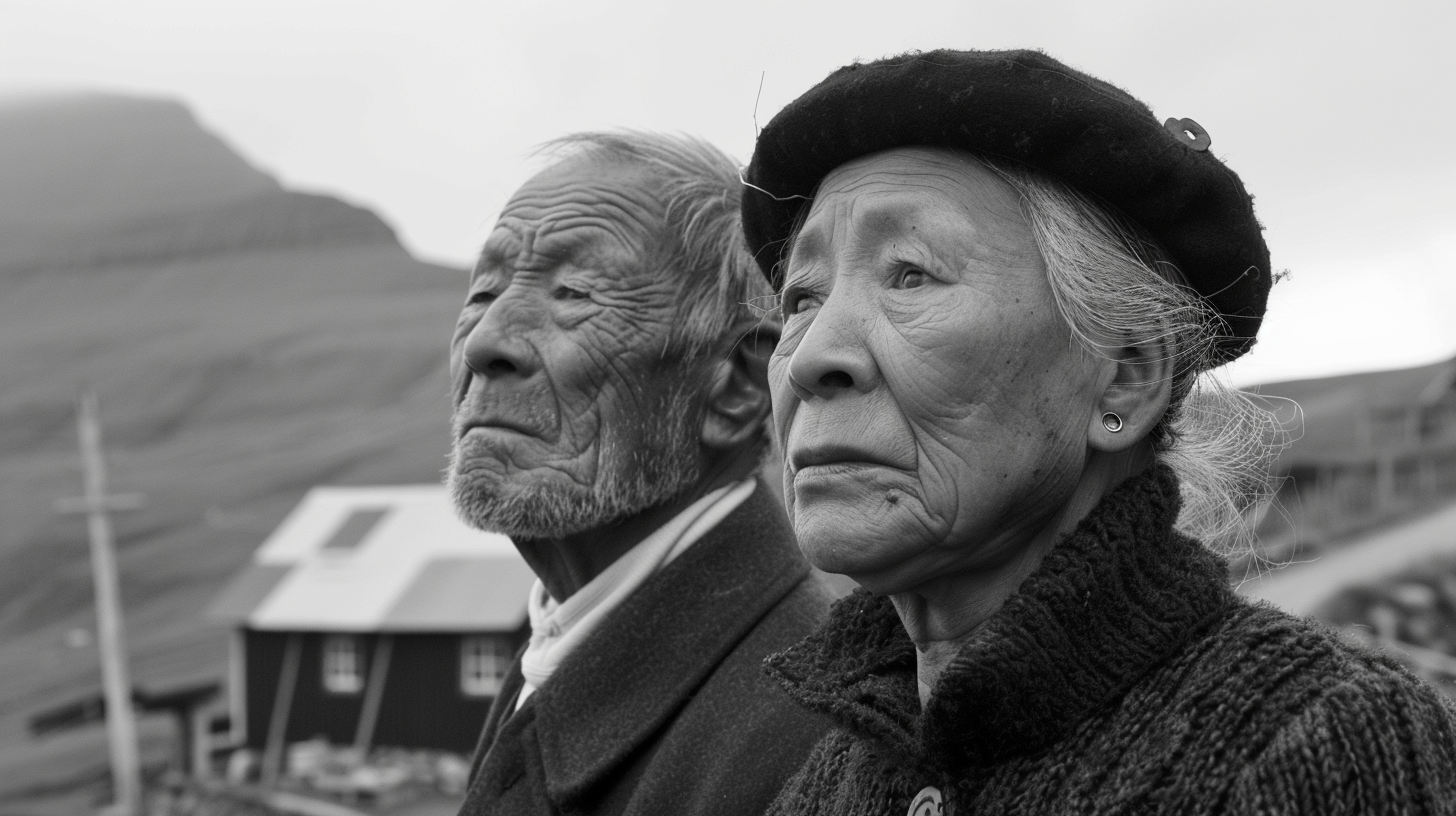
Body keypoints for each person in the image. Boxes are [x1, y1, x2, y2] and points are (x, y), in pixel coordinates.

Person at [739, 49, 1456, 815]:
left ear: (1126, 378)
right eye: (802, 296)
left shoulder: (1316, 745)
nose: (812, 356)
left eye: (911, 272)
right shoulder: (829, 783)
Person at [448, 131, 834, 815]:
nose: (484, 343)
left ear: (738, 385)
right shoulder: (569, 639)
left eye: (574, 293)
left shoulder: (813, 741)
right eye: (482, 293)